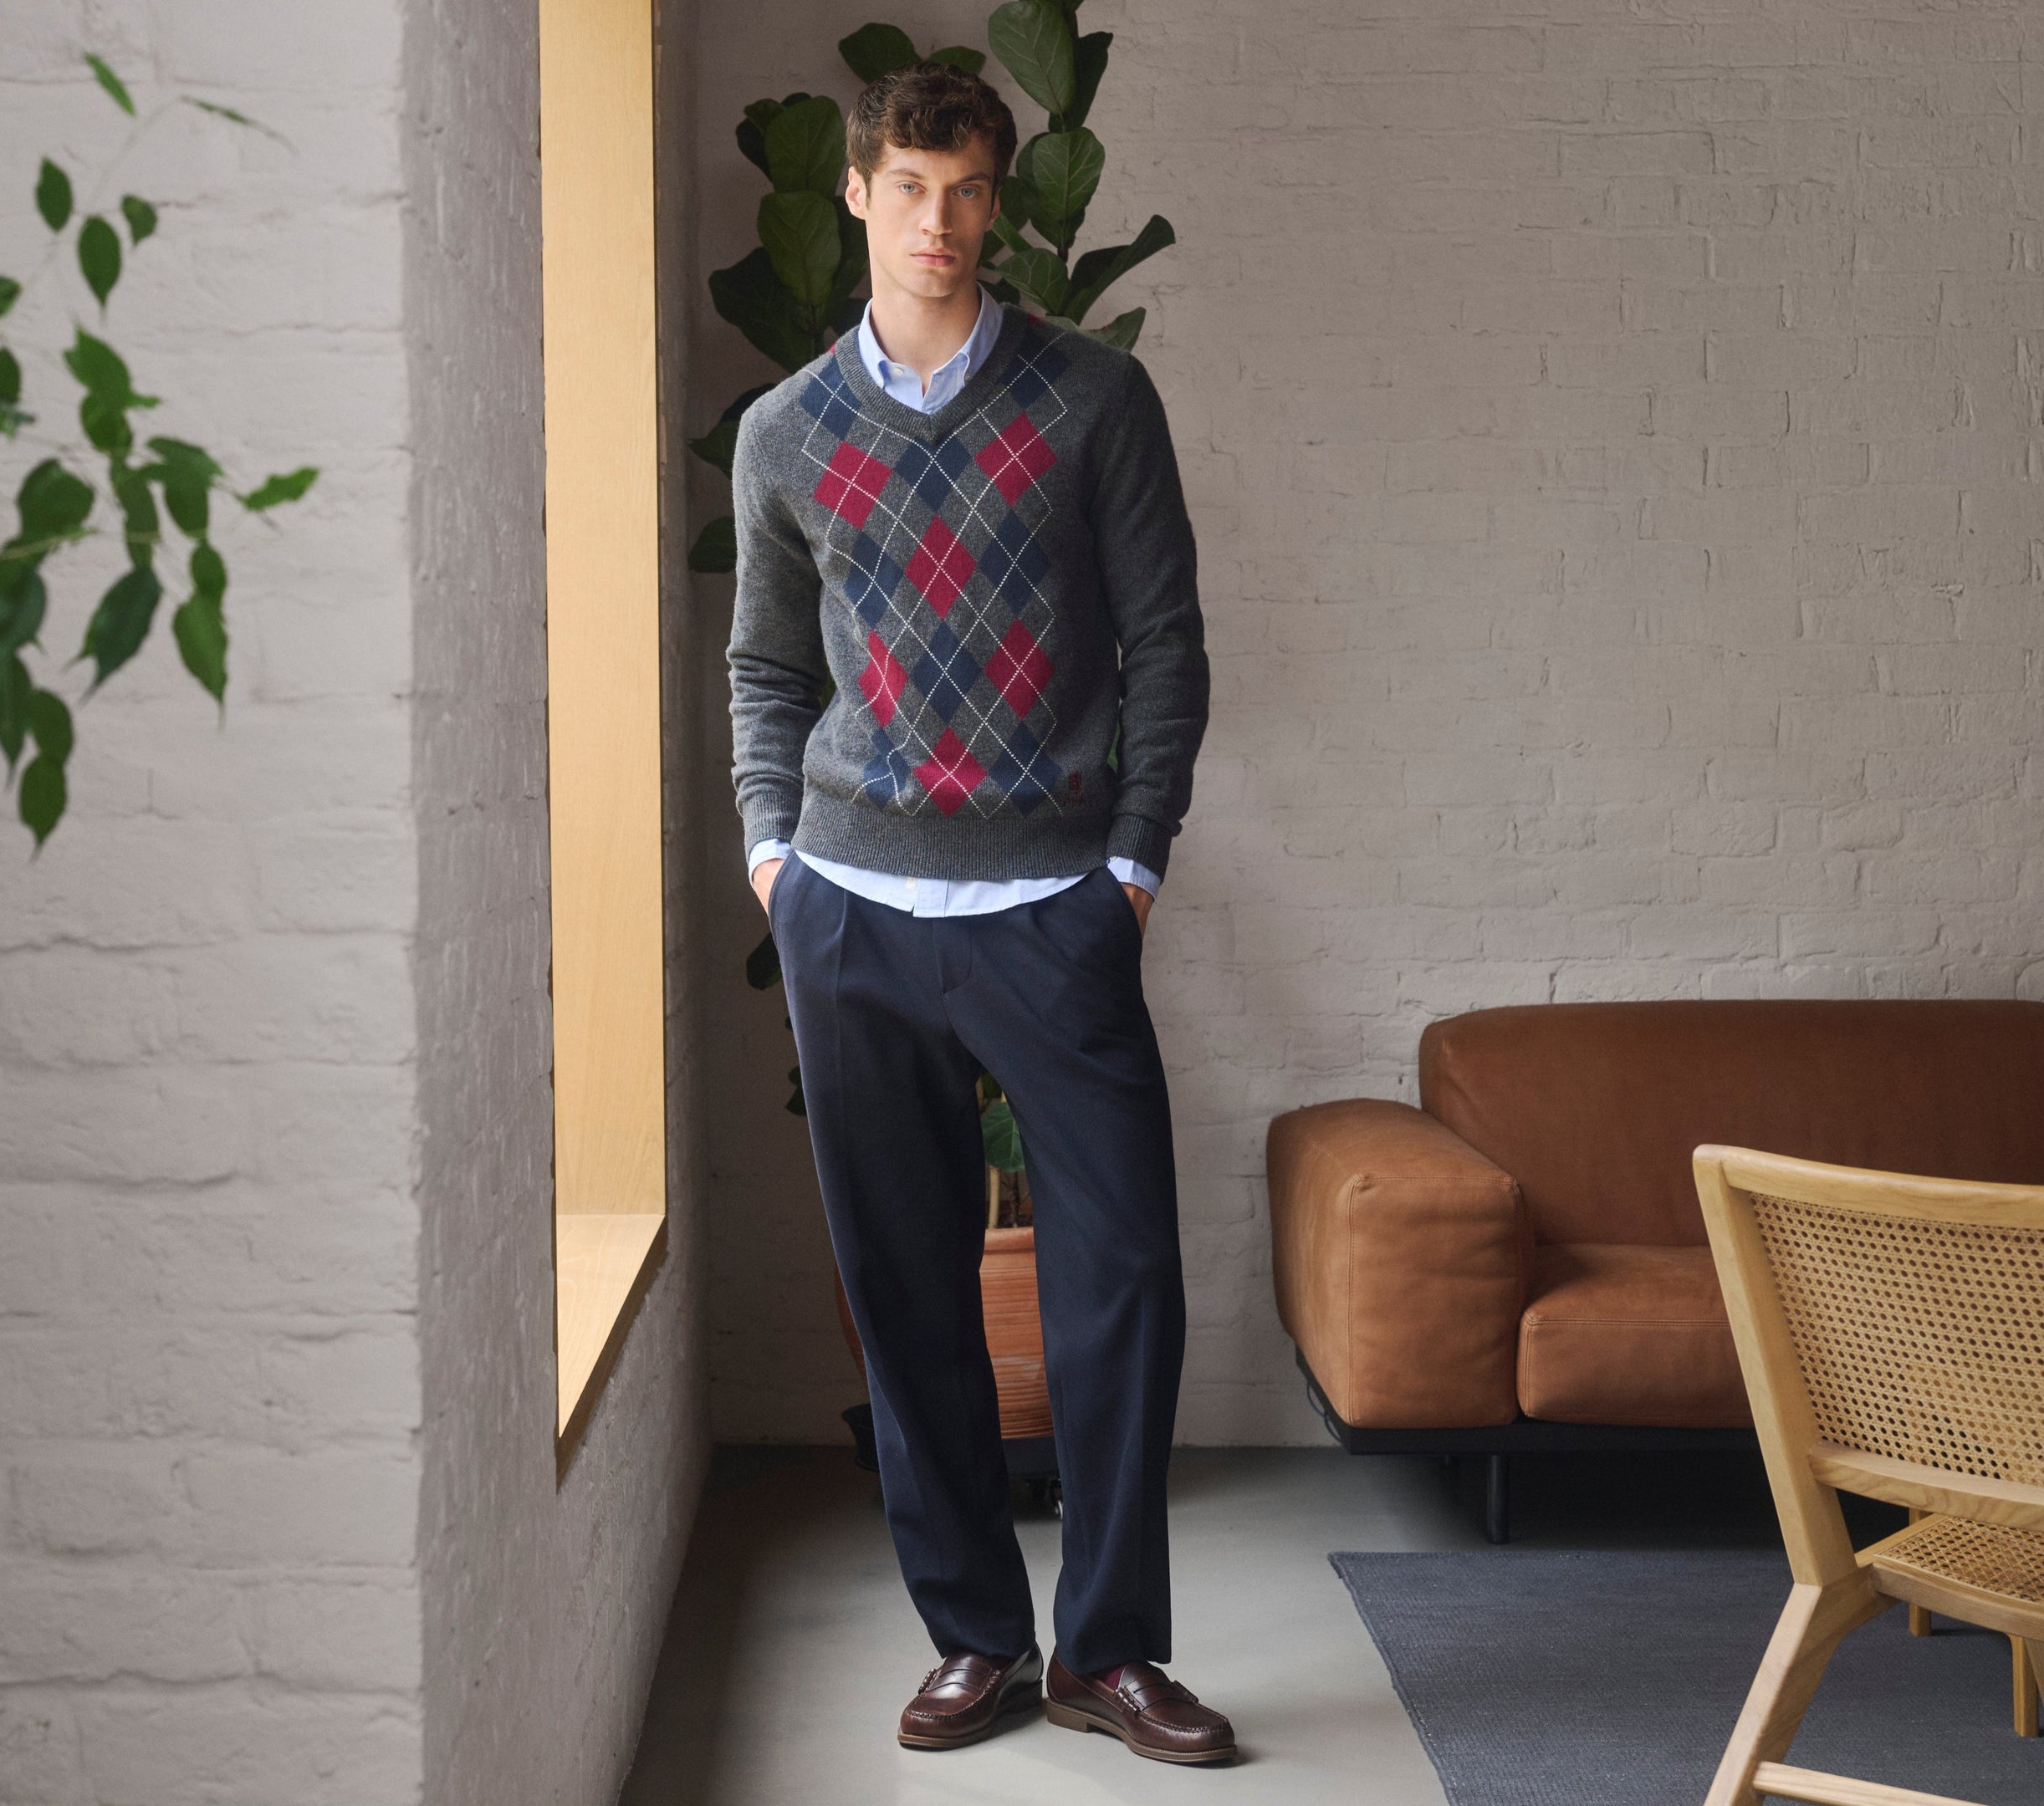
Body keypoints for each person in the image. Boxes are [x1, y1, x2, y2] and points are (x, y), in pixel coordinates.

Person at [725, 59, 1226, 1767]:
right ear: (857, 194)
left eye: (969, 190)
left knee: (1125, 1281)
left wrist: (1135, 863)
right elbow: (766, 666)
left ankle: (1109, 1650)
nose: (939, 223)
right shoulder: (785, 433)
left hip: (1052, 905)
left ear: (999, 201)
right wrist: (771, 855)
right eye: (908, 186)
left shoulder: (1092, 403)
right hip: (851, 913)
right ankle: (973, 1643)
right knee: (905, 1287)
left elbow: (1165, 644)